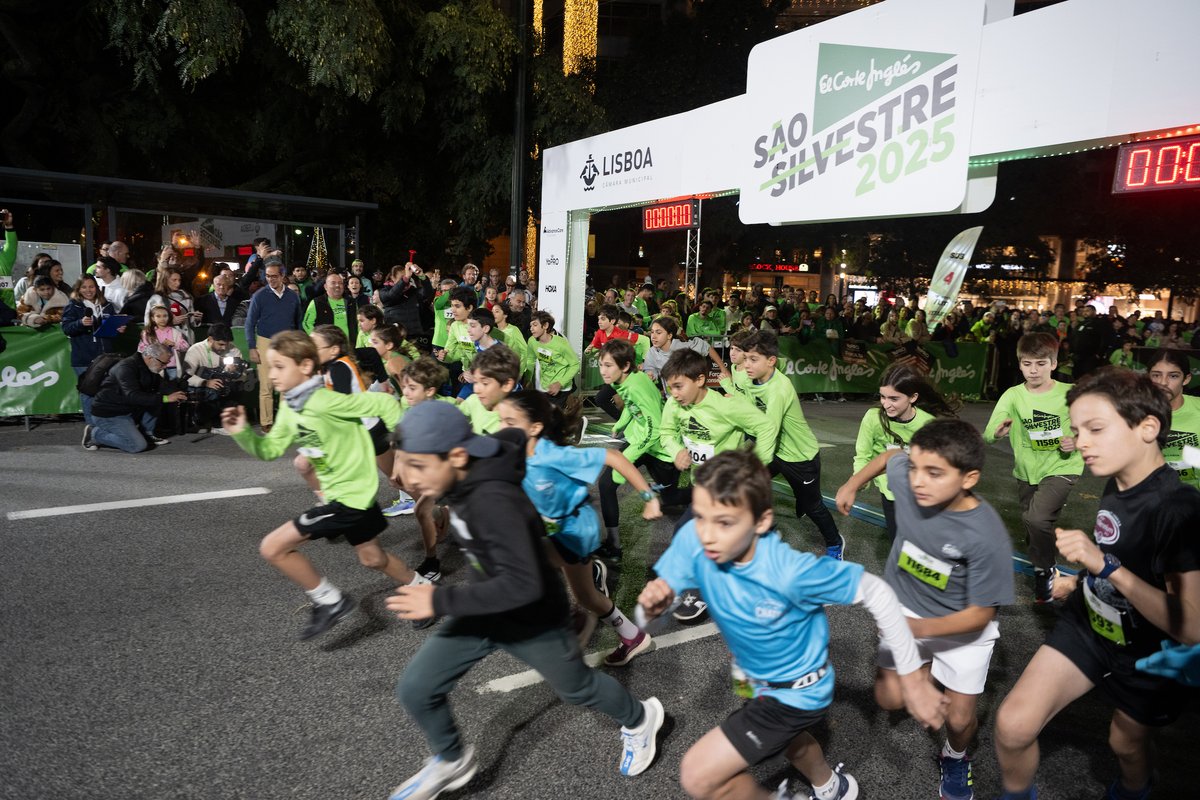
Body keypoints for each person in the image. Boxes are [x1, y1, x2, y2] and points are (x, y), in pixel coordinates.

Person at [385, 401, 667, 799]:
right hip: (484, 606)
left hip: (531, 615)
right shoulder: (482, 454)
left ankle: (641, 717)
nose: (405, 477)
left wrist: (438, 601)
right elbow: (513, 437)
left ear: (458, 456)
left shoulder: (494, 504)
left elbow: (523, 587)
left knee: (577, 689)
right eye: (404, 464)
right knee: (416, 688)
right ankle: (451, 759)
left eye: (417, 466)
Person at [640, 450, 947, 800]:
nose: (707, 535)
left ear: (761, 521)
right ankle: (831, 786)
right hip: (756, 679)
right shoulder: (699, 538)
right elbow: (674, 575)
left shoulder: (789, 572)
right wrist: (662, 593)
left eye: (724, 523)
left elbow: (878, 592)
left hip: (797, 694)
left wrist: (911, 678)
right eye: (700, 517)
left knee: (698, 775)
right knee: (791, 743)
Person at [994, 367, 1200, 800]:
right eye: (1076, 430)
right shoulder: (1119, 480)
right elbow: (1123, 557)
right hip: (1090, 626)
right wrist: (1082, 579)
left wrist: (1106, 568)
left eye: (1095, 429)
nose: (1080, 442)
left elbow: (1191, 627)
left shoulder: (1179, 509)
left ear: (1148, 428)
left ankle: (1134, 789)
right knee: (1013, 725)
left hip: (1148, 653)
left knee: (1124, 745)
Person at [836, 419, 1015, 800]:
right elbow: (891, 456)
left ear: (969, 478)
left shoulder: (986, 534)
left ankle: (955, 757)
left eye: (934, 473)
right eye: (917, 468)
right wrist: (853, 483)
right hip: (907, 610)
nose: (918, 480)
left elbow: (981, 614)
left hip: (962, 629)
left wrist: (914, 630)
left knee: (960, 718)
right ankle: (924, 672)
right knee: (889, 700)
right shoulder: (911, 479)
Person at [221, 330, 429, 639]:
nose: (272, 374)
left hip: (350, 500)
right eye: (269, 366)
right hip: (349, 497)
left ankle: (330, 600)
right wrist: (243, 432)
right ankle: (424, 590)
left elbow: (385, 404)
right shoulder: (292, 406)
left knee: (273, 547)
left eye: (279, 366)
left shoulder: (327, 401)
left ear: (306, 366)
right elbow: (270, 450)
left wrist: (403, 453)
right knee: (373, 558)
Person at [497, 390, 662, 665]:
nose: (502, 428)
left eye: (510, 422)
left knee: (568, 590)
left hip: (574, 531)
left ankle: (565, 620)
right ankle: (631, 635)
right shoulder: (513, 450)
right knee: (584, 595)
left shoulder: (553, 455)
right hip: (551, 530)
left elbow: (614, 458)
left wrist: (649, 498)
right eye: (501, 420)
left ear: (535, 427)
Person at [660, 348, 775, 623]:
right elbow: (666, 433)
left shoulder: (727, 406)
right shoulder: (674, 404)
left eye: (678, 386)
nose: (673, 393)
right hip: (701, 485)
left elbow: (767, 427)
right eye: (670, 387)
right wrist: (676, 450)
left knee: (689, 533)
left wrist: (753, 466)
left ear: (700, 380)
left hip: (727, 487)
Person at [984, 333, 1084, 603]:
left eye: (1041, 363)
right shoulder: (1013, 395)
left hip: (1063, 467)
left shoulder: (1071, 393)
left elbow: (1094, 426)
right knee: (1035, 526)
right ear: (1019, 365)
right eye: (1027, 364)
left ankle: (1045, 571)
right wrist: (999, 430)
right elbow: (988, 434)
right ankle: (1044, 567)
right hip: (1027, 470)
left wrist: (1077, 440)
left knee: (1036, 519)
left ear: (1054, 363)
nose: (1034, 370)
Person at [732, 330, 845, 559]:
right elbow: (744, 405)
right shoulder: (746, 376)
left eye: (753, 360)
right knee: (745, 488)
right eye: (746, 358)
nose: (747, 365)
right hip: (774, 452)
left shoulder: (779, 389)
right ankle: (767, 531)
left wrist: (751, 461)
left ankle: (835, 543)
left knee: (812, 506)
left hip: (799, 456)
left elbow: (768, 430)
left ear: (771, 361)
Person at [596, 339, 688, 561]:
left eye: (608, 365)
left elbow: (655, 429)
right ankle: (614, 546)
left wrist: (626, 458)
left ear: (625, 366)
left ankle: (709, 493)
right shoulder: (626, 380)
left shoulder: (636, 384)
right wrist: (620, 425)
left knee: (670, 497)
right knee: (606, 483)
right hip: (641, 441)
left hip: (660, 449)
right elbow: (631, 406)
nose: (603, 371)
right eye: (600, 365)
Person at [852, 363, 955, 541]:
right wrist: (858, 481)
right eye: (883, 397)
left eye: (894, 399)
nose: (886, 404)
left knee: (922, 544)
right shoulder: (872, 418)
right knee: (898, 542)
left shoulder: (927, 423)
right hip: (890, 493)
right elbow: (862, 455)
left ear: (913, 397)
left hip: (920, 494)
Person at [395, 357, 459, 582]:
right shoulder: (407, 406)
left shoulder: (447, 407)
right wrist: (397, 467)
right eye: (404, 386)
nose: (406, 392)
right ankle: (432, 561)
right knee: (422, 510)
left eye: (412, 388)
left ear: (430, 390)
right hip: (436, 474)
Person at [84, 344, 188, 452]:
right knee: (137, 445)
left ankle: (146, 433)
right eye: (163, 363)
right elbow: (133, 396)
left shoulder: (149, 367)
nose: (165, 366)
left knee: (157, 399)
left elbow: (162, 386)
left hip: (129, 409)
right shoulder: (126, 367)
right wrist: (166, 398)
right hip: (111, 413)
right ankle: (95, 434)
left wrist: (178, 393)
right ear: (150, 358)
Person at [245, 257, 302, 432]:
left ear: (283, 275)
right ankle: (266, 423)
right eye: (268, 276)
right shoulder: (259, 296)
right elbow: (249, 323)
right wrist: (252, 347)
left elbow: (298, 323)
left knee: (287, 385)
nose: (271, 279)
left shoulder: (293, 297)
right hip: (264, 342)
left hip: (287, 343)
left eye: (274, 276)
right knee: (266, 385)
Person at [61, 275, 123, 428]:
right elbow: (66, 328)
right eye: (84, 287)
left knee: (106, 391)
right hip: (84, 357)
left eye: (91, 286)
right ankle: (92, 428)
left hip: (105, 356)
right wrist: (80, 323)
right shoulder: (73, 306)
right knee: (88, 392)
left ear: (97, 288)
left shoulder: (107, 305)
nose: (88, 290)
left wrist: (118, 329)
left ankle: (105, 425)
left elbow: (111, 331)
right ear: (78, 289)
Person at [1146, 348, 1200, 491]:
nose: (1163, 382)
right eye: (1156, 375)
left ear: (1186, 379)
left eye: (1173, 376)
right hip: (1147, 502)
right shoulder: (1133, 412)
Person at [183, 323, 244, 433]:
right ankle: (205, 421)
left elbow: (242, 375)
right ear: (210, 339)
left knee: (236, 386)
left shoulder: (233, 349)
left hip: (223, 383)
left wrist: (233, 372)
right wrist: (205, 382)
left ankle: (224, 421)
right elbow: (186, 377)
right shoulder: (196, 350)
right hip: (201, 385)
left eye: (226, 344)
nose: (224, 347)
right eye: (220, 344)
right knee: (214, 389)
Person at [588, 303, 645, 420]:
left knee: (623, 402)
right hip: (614, 375)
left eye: (602, 319)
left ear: (612, 321)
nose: (599, 321)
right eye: (598, 318)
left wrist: (645, 362)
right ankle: (625, 424)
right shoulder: (600, 333)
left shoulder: (622, 334)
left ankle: (633, 424)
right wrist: (589, 350)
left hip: (627, 374)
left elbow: (645, 341)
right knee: (609, 400)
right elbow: (595, 347)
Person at [642, 316, 725, 386]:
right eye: (652, 332)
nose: (653, 336)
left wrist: (723, 369)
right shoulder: (652, 352)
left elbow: (706, 347)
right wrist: (651, 375)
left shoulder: (683, 347)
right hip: (671, 398)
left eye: (658, 333)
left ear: (669, 335)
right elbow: (650, 369)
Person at [458, 344, 520, 435]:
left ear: (507, 384)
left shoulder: (515, 420)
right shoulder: (474, 400)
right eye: (475, 382)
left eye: (485, 383)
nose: (476, 390)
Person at [527, 310, 580, 406]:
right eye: (530, 325)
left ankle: (577, 421)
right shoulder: (531, 341)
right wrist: (527, 379)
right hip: (545, 386)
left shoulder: (561, 343)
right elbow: (530, 360)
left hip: (562, 388)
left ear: (545, 326)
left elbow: (575, 364)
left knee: (553, 417)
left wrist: (560, 383)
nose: (531, 328)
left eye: (535, 325)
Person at [455, 308, 500, 400]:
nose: (468, 330)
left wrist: (476, 378)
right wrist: (469, 373)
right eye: (468, 326)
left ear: (486, 328)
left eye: (473, 326)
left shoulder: (499, 352)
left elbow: (501, 381)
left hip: (497, 393)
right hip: (478, 384)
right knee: (457, 405)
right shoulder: (476, 344)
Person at [379, 261, 432, 340]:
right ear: (392, 278)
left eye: (408, 277)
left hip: (415, 335)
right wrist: (406, 278)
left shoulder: (412, 291)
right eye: (402, 278)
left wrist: (422, 276)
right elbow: (392, 295)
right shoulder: (384, 291)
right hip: (395, 336)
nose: (406, 280)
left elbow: (427, 293)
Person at [301, 270, 358, 343]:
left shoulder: (351, 302)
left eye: (340, 283)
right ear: (325, 287)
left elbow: (358, 323)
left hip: (349, 346)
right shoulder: (317, 302)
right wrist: (318, 339)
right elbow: (306, 323)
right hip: (327, 346)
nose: (337, 285)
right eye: (333, 283)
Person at [139, 305, 189, 379]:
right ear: (153, 318)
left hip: (172, 365)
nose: (162, 319)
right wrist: (156, 347)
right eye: (158, 316)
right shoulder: (148, 333)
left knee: (173, 385)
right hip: (155, 365)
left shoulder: (175, 332)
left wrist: (174, 344)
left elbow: (185, 347)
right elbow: (141, 349)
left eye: (165, 316)